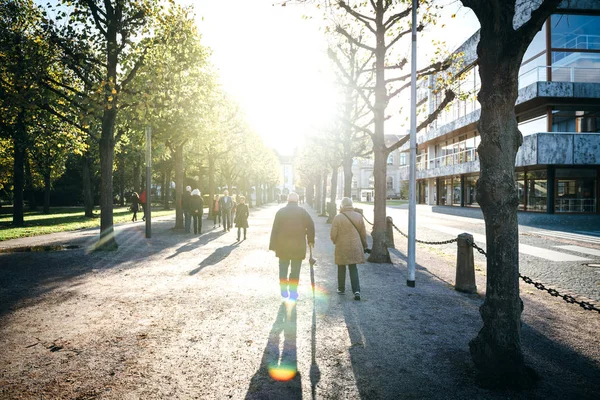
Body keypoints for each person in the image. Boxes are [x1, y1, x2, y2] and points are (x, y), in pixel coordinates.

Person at [269, 192, 315, 300]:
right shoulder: (302, 212)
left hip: (283, 245)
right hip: (298, 245)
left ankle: (283, 288)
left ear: (288, 200)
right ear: (297, 200)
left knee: (283, 267)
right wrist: (310, 240)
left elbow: (275, 229)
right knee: (295, 269)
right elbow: (311, 225)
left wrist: (273, 245)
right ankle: (293, 291)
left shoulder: (280, 212)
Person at [330, 197, 367, 301]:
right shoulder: (358, 216)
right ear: (351, 205)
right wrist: (364, 245)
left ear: (342, 205)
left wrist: (335, 241)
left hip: (342, 245)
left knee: (341, 266)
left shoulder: (338, 217)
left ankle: (341, 289)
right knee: (353, 267)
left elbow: (333, 233)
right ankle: (356, 290)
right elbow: (363, 233)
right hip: (355, 245)